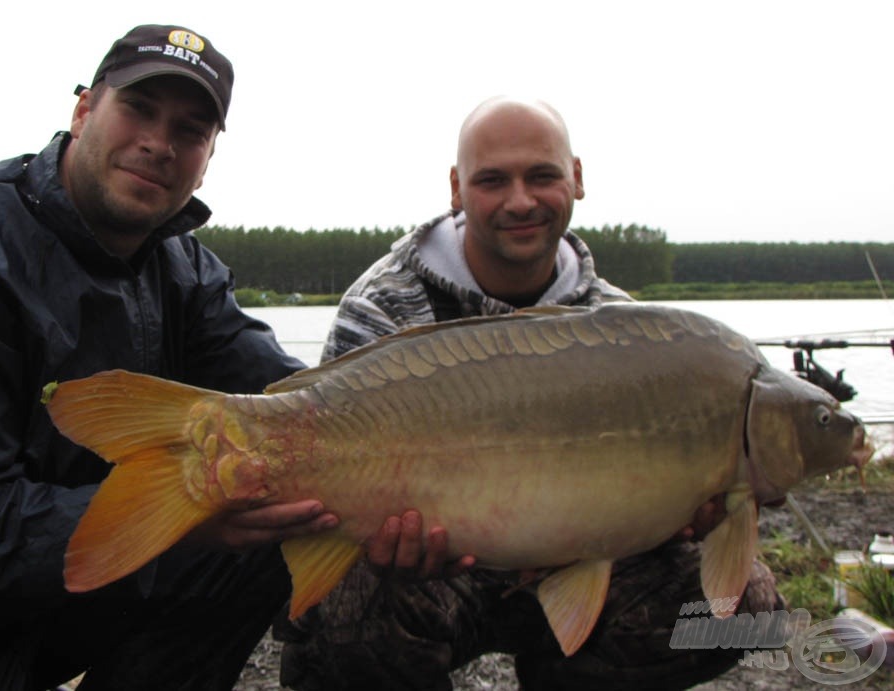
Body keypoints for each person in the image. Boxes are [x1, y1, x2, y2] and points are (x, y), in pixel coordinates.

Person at [0, 23, 437, 691]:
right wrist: (193, 510)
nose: (160, 144)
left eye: (191, 130)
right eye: (139, 109)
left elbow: (298, 401)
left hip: (81, 593)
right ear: (84, 109)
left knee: (282, 521)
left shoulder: (184, 271)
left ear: (208, 155)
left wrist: (425, 485)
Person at [275, 96, 784, 690]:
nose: (521, 201)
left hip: (584, 562)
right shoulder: (385, 305)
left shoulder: (623, 330)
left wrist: (685, 513)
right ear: (457, 189)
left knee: (742, 612)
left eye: (541, 176)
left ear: (576, 177)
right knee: (345, 605)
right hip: (438, 570)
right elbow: (327, 459)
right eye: (493, 180)